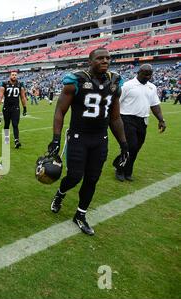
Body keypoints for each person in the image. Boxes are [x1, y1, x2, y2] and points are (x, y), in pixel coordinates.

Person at [48, 48, 129, 236]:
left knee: (92, 178)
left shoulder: (115, 82)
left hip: (100, 138)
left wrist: (124, 144)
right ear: (90, 60)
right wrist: (56, 139)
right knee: (75, 176)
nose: (105, 61)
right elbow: (60, 111)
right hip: (78, 136)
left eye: (108, 58)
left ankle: (80, 215)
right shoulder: (76, 80)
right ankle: (61, 192)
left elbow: (115, 118)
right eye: (100, 58)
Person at [113, 64, 166, 182]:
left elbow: (155, 105)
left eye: (150, 74)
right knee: (130, 146)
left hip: (142, 120)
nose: (148, 76)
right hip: (127, 118)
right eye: (145, 74)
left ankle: (126, 170)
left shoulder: (152, 87)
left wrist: (161, 120)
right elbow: (117, 102)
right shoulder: (127, 86)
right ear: (138, 72)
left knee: (136, 147)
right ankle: (120, 169)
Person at [0, 70, 27, 148]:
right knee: (6, 124)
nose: (14, 76)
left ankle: (16, 140)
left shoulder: (20, 85)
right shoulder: (4, 84)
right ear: (10, 76)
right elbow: (0, 96)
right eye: (12, 75)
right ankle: (6, 138)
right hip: (6, 108)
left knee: (15, 124)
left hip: (16, 108)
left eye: (15, 75)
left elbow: (23, 97)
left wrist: (25, 108)